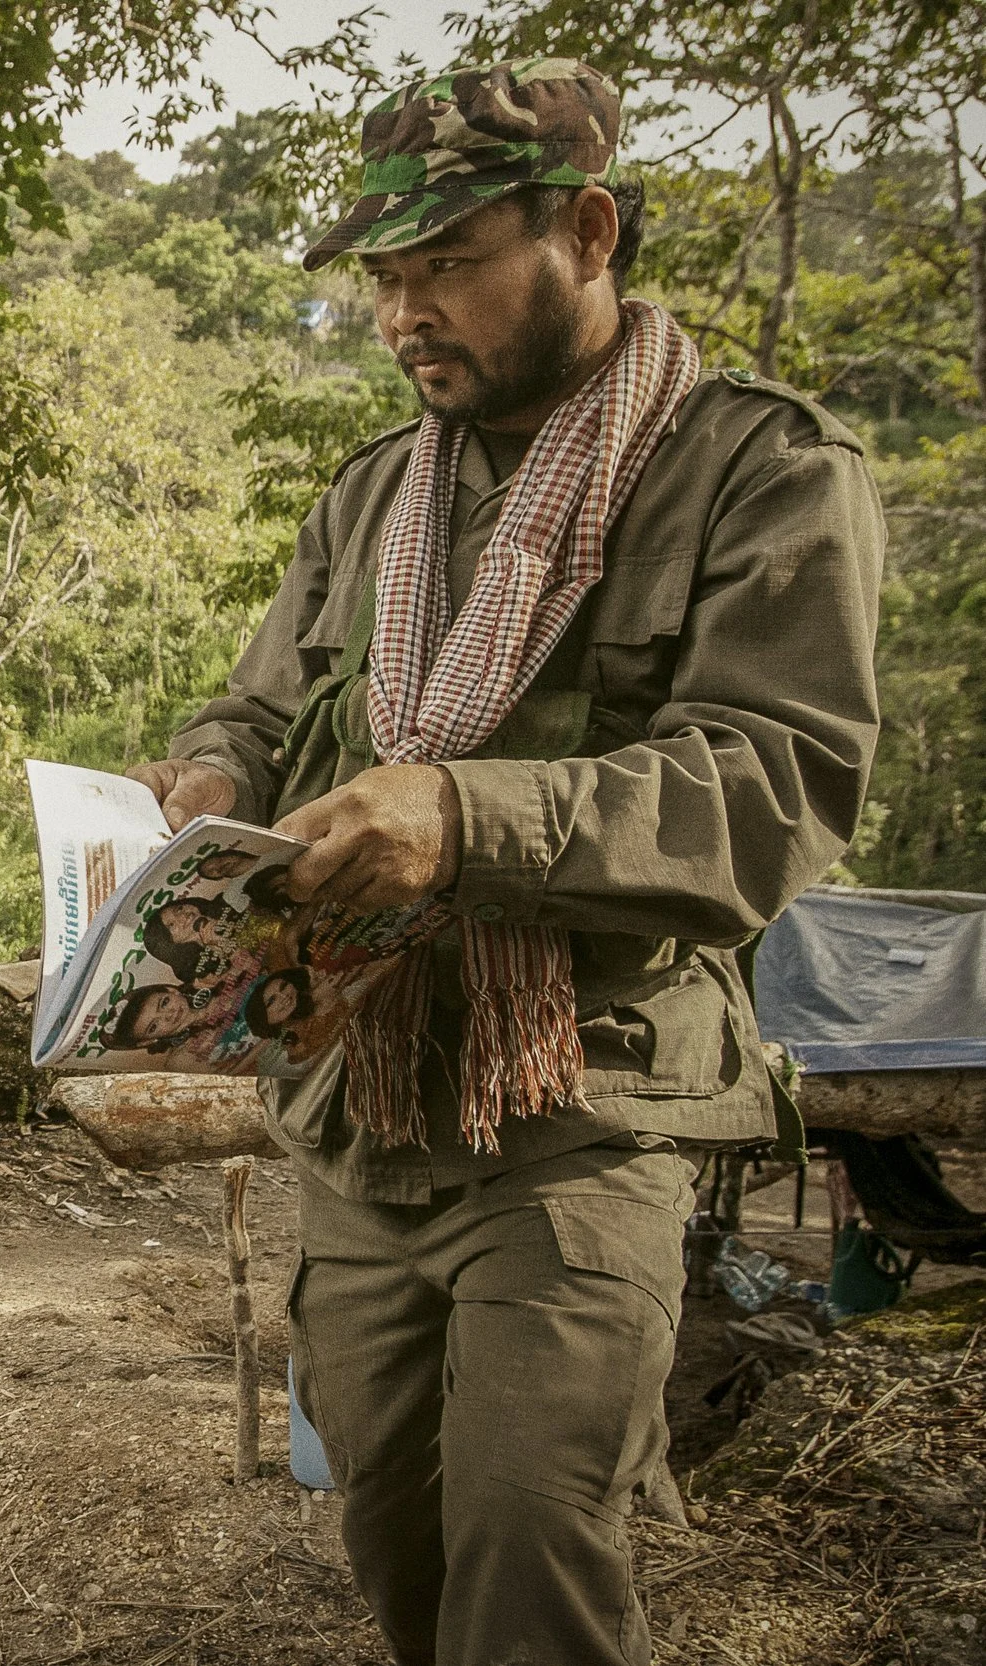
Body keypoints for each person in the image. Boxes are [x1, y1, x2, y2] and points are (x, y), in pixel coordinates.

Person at [128, 59, 881, 1666]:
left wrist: (470, 815)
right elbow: (259, 705)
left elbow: (779, 780)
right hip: (361, 1107)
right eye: (390, 279)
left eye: (451, 264)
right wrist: (205, 777)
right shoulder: (377, 496)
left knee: (533, 1535)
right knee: (394, 1535)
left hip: (580, 1107)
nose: (410, 314)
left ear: (589, 232)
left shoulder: (757, 471)